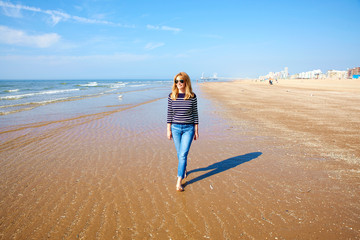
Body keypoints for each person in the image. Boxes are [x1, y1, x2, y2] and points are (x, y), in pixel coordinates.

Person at [167, 72, 199, 192]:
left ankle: (179, 181)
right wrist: (168, 130)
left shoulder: (192, 96)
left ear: (186, 82)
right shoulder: (171, 96)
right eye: (176, 81)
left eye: (181, 81)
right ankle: (184, 168)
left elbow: (195, 114)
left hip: (188, 129)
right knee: (180, 153)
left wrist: (196, 130)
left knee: (182, 154)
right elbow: (169, 114)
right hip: (175, 129)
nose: (178, 83)